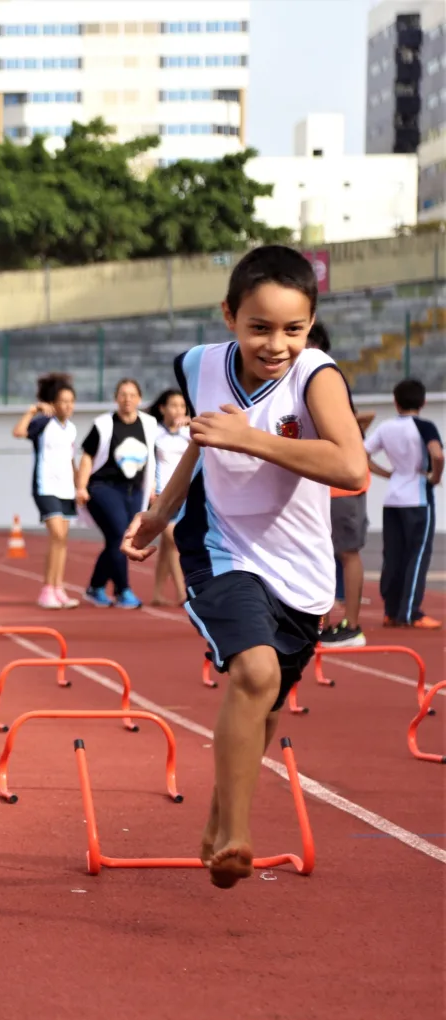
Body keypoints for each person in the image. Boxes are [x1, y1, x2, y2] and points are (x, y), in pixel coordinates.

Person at [123, 245, 367, 889]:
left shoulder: (316, 377)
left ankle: (214, 825)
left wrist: (253, 438)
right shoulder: (199, 365)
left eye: (293, 329)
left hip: (303, 568)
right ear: (229, 315)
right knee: (253, 672)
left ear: (310, 324)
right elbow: (202, 443)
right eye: (259, 327)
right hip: (221, 546)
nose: (276, 344)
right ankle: (237, 833)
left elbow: (352, 467)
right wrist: (160, 513)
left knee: (269, 703)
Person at [305, 322, 375, 646]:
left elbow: (351, 425)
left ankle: (352, 626)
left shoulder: (325, 377)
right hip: (322, 484)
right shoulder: (311, 379)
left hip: (341, 485)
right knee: (324, 553)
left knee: (347, 552)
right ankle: (325, 622)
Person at [366, 378, 443, 630]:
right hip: (418, 498)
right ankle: (410, 612)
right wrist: (435, 477)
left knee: (394, 556)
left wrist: (387, 474)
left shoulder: (386, 427)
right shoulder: (424, 426)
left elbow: (361, 453)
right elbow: (437, 454)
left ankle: (391, 610)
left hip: (393, 498)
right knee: (417, 556)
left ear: (395, 402)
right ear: (423, 402)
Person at [77, 378, 159, 609]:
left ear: (139, 399)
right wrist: (81, 487)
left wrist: (153, 487)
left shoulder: (149, 424)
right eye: (123, 395)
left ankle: (96, 587)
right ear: (116, 398)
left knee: (120, 539)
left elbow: (153, 458)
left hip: (134, 491)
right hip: (103, 487)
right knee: (120, 535)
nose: (127, 399)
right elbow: (87, 457)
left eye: (132, 395)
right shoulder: (103, 424)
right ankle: (123, 590)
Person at [12, 373, 80, 609]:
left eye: (71, 401)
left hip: (66, 489)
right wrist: (33, 411)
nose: (68, 406)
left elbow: (71, 460)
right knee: (57, 536)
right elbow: (18, 432)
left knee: (63, 541)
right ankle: (46, 590)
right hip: (45, 487)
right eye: (63, 401)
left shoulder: (71, 429)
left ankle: (58, 587)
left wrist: (79, 485)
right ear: (53, 403)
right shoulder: (43, 423)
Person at [145, 388, 191, 607]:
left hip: (185, 492)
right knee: (173, 539)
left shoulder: (188, 432)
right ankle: (183, 591)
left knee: (166, 545)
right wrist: (151, 488)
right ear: (162, 408)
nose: (178, 410)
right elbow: (149, 462)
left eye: (182, 406)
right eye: (173, 405)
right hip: (162, 493)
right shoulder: (154, 433)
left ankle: (156, 593)